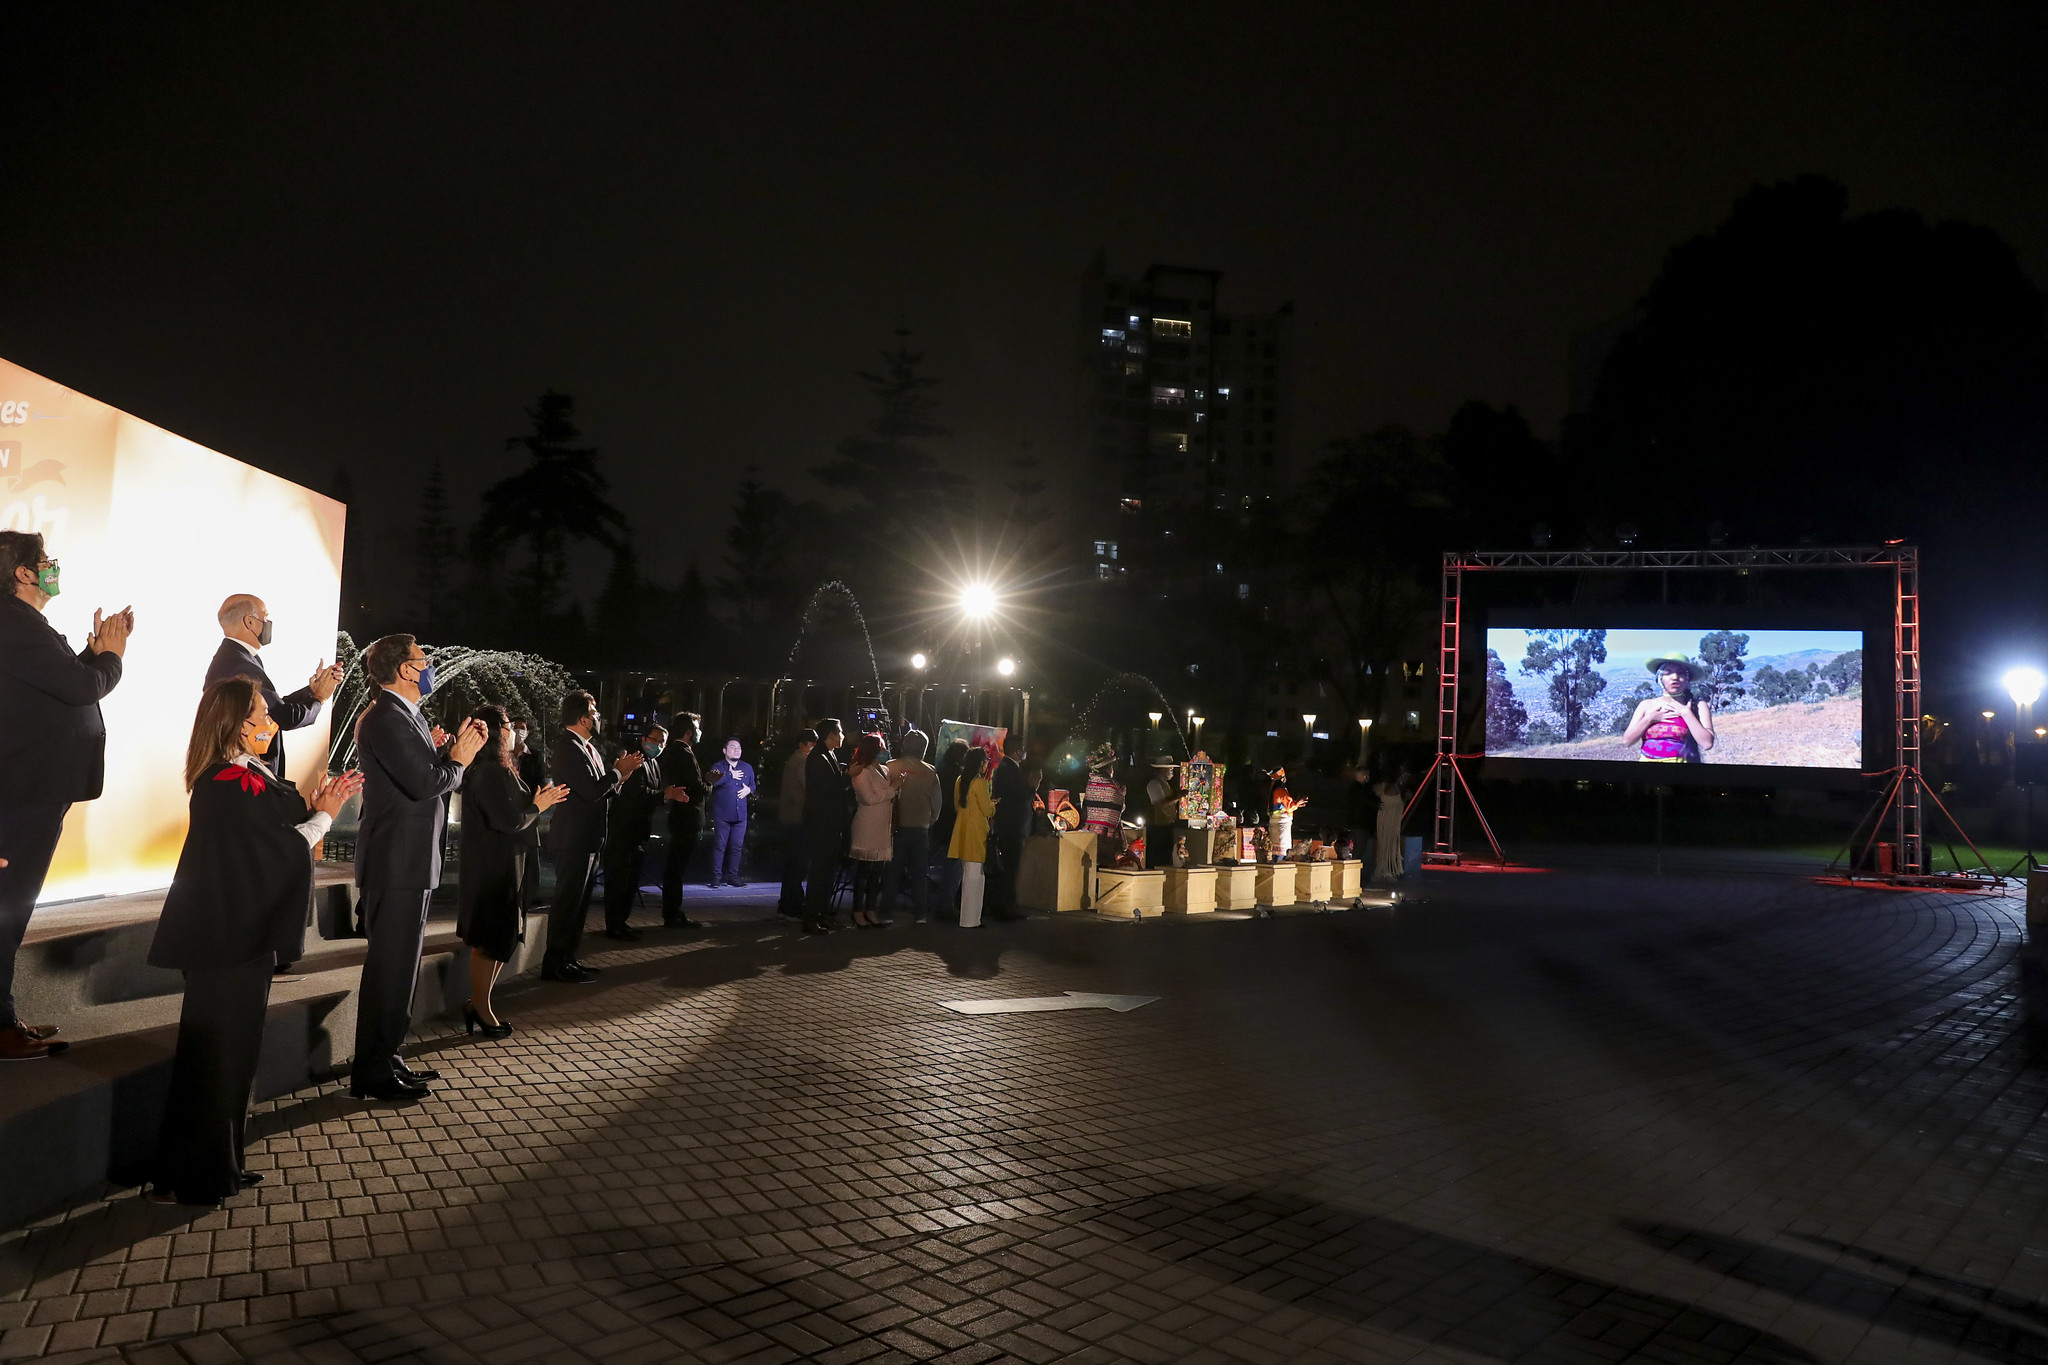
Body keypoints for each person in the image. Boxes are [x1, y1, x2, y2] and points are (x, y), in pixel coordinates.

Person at [146, 681, 360, 1205]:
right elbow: (279, 847)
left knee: (233, 1057)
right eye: (263, 713)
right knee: (215, 1059)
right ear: (240, 723)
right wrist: (324, 817)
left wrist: (316, 806)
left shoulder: (244, 774)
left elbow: (277, 823)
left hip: (241, 939)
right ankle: (195, 1178)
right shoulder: (223, 780)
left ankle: (219, 1165)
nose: (272, 721)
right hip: (225, 943)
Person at [0, 530, 130, 1061]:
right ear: (25, 574)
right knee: (7, 910)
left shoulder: (24, 626)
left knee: (12, 909)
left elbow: (58, 681)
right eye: (47, 562)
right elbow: (80, 687)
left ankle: (4, 1018)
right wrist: (113, 657)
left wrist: (91, 653)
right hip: (21, 795)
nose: (55, 567)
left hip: (33, 792)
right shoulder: (13, 622)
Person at [350, 634, 487, 1100]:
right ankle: (371, 1070)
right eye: (422, 661)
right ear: (406, 671)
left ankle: (387, 1056)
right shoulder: (386, 717)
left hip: (409, 861)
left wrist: (439, 753)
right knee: (391, 969)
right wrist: (458, 761)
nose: (429, 667)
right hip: (396, 863)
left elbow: (418, 776)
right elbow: (425, 784)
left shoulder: (403, 717)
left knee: (402, 969)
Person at [205, 593, 346, 978]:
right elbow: (280, 715)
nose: (269, 624)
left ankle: (271, 949)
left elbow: (273, 711)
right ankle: (268, 950)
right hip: (253, 781)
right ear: (251, 622)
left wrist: (311, 694)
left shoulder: (240, 660)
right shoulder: (236, 664)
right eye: (266, 617)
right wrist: (317, 698)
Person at [458, 704, 568, 1035]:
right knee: (492, 937)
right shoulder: (489, 770)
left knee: (502, 937)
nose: (514, 730)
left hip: (510, 861)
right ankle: (480, 1006)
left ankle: (479, 1002)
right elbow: (506, 820)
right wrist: (538, 805)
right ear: (495, 731)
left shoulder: (502, 767)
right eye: (507, 724)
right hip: (495, 865)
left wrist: (536, 799)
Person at [545, 690, 642, 982]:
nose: (600, 717)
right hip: (573, 838)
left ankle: (569, 958)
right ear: (584, 718)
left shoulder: (589, 748)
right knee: (567, 904)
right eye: (595, 712)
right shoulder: (567, 747)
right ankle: (554, 963)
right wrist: (616, 772)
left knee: (580, 905)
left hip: (590, 838)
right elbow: (588, 791)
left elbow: (602, 790)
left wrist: (620, 777)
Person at [603, 723, 668, 939]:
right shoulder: (634, 760)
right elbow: (635, 794)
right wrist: (664, 795)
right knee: (619, 880)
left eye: (662, 742)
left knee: (631, 880)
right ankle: (614, 925)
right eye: (655, 739)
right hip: (623, 830)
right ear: (643, 739)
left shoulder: (654, 763)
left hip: (639, 831)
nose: (658, 745)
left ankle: (622, 922)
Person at [847, 734, 905, 928]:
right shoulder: (861, 772)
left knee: (877, 873)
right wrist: (893, 788)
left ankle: (871, 909)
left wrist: (896, 785)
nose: (883, 751)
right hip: (867, 825)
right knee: (863, 872)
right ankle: (857, 910)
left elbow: (889, 793)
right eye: (880, 748)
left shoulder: (883, 769)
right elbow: (868, 798)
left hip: (883, 826)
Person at [801, 719, 851, 934]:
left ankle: (822, 913)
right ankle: (811, 918)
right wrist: (849, 776)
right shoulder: (818, 757)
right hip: (822, 823)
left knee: (828, 870)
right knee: (820, 871)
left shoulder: (828, 754)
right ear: (831, 734)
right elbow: (830, 789)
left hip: (830, 823)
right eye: (840, 732)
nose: (843, 736)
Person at [886, 730, 941, 923]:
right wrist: (930, 820)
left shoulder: (891, 766)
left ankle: (886, 913)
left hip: (895, 828)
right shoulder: (931, 771)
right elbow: (937, 803)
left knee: (892, 871)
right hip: (921, 828)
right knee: (919, 873)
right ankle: (920, 914)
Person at [1621, 654, 1716, 763]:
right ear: (1659, 677)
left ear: (1687, 679)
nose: (1675, 677)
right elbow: (1627, 741)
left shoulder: (1699, 706)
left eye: (1681, 673)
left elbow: (1707, 743)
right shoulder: (1646, 705)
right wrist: (1649, 719)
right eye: (1668, 672)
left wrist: (1686, 713)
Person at [659, 712, 707, 925]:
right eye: (697, 728)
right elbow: (695, 788)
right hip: (687, 817)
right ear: (689, 732)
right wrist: (710, 784)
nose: (699, 732)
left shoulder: (674, 752)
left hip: (680, 816)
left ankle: (672, 912)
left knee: (675, 867)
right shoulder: (684, 753)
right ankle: (673, 914)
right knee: (676, 868)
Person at [986, 735, 1033, 920]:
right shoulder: (1008, 769)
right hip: (1010, 826)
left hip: (1010, 826)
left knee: (1011, 867)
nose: (1025, 751)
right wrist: (1033, 787)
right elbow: (1018, 797)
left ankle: (1007, 904)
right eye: (1023, 747)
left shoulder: (1009, 767)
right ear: (1017, 749)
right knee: (1010, 867)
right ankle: (1004, 906)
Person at [947, 749, 996, 928]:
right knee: (976, 877)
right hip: (976, 832)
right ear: (979, 763)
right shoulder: (980, 783)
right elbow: (987, 810)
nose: (987, 764)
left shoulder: (960, 781)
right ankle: (971, 919)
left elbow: (956, 804)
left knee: (968, 874)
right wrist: (993, 804)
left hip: (962, 830)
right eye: (986, 761)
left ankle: (968, 918)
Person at [706, 738, 756, 887]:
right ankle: (716, 877)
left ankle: (733, 876)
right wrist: (729, 775)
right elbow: (710, 781)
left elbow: (753, 784)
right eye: (733, 747)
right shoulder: (718, 766)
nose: (737, 750)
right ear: (724, 751)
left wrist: (749, 789)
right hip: (723, 814)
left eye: (739, 747)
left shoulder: (747, 767)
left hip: (741, 816)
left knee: (736, 847)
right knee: (720, 846)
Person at [777, 728, 817, 915]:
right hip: (797, 818)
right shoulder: (801, 762)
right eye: (812, 743)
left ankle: (788, 903)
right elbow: (809, 787)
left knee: (792, 864)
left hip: (790, 817)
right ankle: (792, 904)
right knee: (796, 864)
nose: (815, 747)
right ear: (804, 744)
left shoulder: (795, 759)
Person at [511, 717, 548, 911]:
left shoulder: (534, 756)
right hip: (508, 816)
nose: (518, 731)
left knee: (531, 866)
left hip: (529, 813)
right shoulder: (502, 756)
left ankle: (526, 904)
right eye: (514, 728)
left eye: (522, 728)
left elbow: (540, 783)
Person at [1372, 770, 1406, 883]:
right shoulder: (1389, 788)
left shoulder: (1389, 787)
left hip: (1391, 821)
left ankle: (1386, 870)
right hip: (1388, 821)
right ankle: (1384, 871)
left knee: (1388, 845)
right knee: (1386, 844)